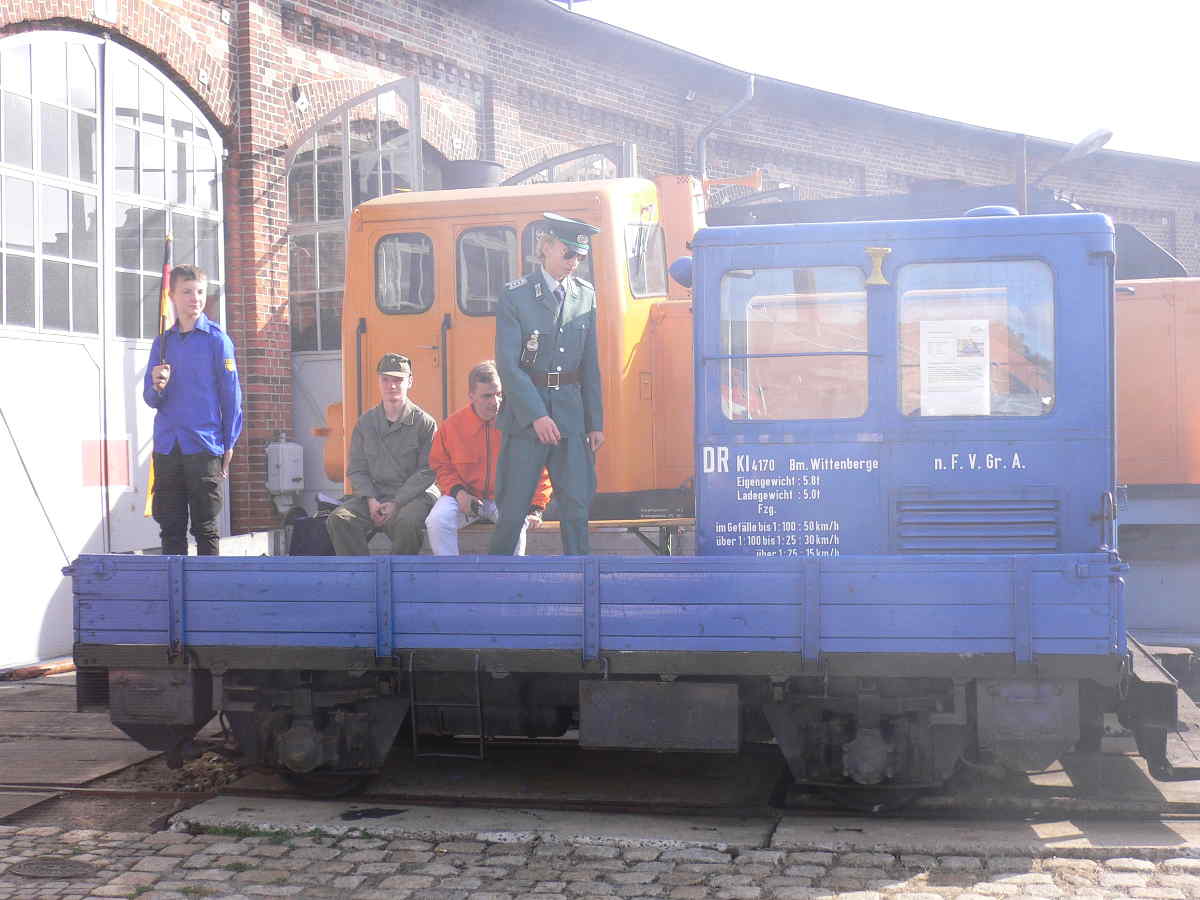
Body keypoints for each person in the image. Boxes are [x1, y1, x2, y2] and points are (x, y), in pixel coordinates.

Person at [489, 213, 604, 556]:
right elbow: (508, 366)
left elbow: (590, 364)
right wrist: (537, 415)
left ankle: (581, 577)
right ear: (548, 246)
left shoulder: (585, 295)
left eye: (580, 257)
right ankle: (495, 579)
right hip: (527, 418)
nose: (574, 263)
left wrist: (595, 422)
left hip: (570, 415)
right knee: (512, 509)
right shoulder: (516, 295)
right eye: (568, 254)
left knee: (576, 507)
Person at [142, 264, 244, 556]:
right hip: (167, 446)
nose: (195, 298)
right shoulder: (162, 344)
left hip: (204, 445)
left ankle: (209, 586)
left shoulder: (217, 341)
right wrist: (157, 386)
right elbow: (150, 398)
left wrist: (229, 443)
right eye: (187, 292)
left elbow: (231, 396)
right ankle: (175, 586)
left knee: (205, 528)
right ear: (172, 296)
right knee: (170, 529)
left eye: (199, 292)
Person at [426, 361, 551, 555]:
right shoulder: (451, 426)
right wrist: (459, 494)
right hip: (464, 497)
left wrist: (535, 509)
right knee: (436, 521)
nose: (495, 402)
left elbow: (539, 468)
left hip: (505, 499)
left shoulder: (520, 424)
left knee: (516, 523)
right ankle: (450, 571)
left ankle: (510, 573)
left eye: (499, 394)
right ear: (471, 396)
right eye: (487, 396)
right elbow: (441, 466)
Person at [326, 353, 438, 555]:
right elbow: (357, 469)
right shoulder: (366, 423)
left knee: (407, 523)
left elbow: (427, 471)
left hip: (413, 497)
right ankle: (361, 572)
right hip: (375, 495)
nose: (391, 386)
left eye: (398, 380)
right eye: (385, 380)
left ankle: (398, 573)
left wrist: (396, 502)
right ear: (379, 382)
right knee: (340, 519)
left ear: (410, 381)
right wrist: (371, 500)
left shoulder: (425, 423)